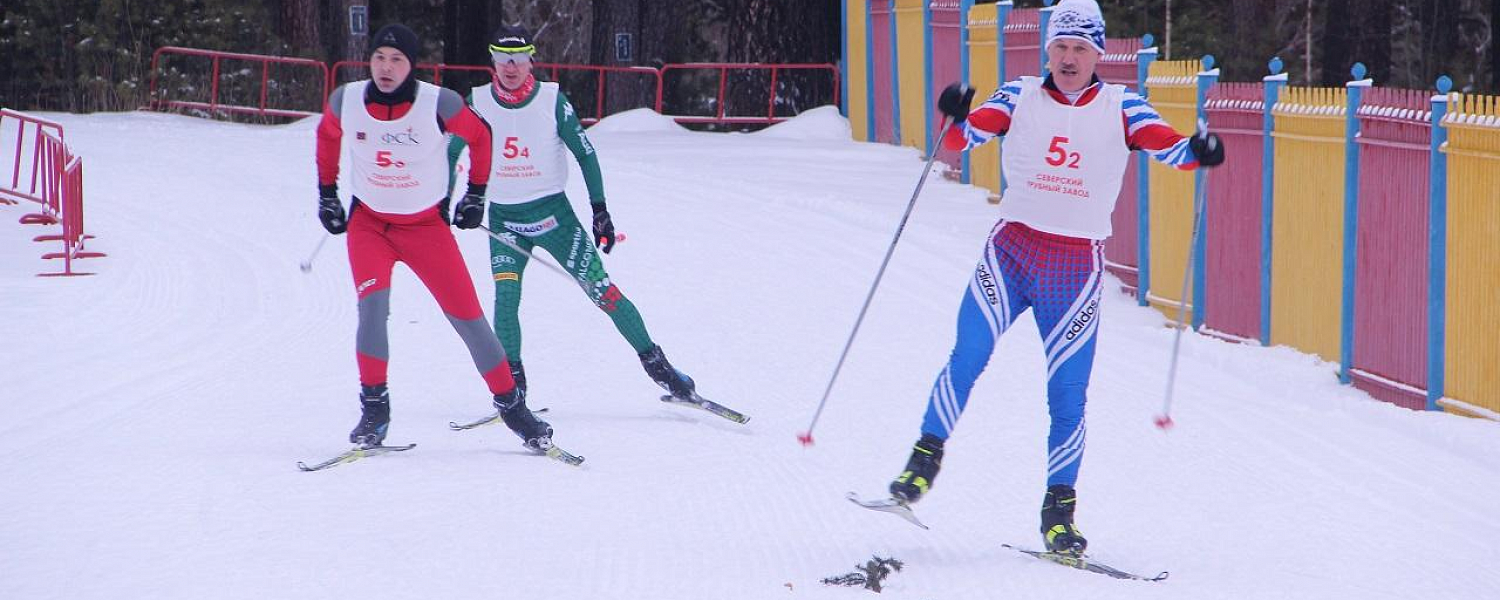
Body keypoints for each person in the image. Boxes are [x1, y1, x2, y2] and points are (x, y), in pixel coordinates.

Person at [884, 0, 1224, 555]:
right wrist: (953, 114)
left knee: (1067, 395)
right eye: (1061, 47)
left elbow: (1177, 153)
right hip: (1010, 254)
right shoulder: (1019, 94)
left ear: (1097, 54)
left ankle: (1058, 516)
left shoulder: (1123, 107)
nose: (1069, 58)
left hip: (1072, 270)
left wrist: (1202, 150)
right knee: (966, 357)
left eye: (1080, 49)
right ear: (1049, 51)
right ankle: (921, 465)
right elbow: (960, 142)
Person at [314, 23, 556, 453]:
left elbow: (482, 137)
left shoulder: (437, 103)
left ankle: (514, 408)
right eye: (379, 58)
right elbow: (327, 136)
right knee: (372, 312)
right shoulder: (346, 100)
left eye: (397, 60)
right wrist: (327, 195)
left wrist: (475, 195)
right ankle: (375, 411)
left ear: (412, 66)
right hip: (371, 226)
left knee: (469, 320)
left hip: (425, 228)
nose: (386, 68)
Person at [446, 25, 700, 404]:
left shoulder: (552, 100)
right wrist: (445, 202)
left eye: (517, 59)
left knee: (603, 292)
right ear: (492, 62)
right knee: (506, 297)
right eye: (501, 59)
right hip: (505, 222)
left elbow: (585, 153)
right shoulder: (477, 101)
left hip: (555, 218)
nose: (510, 67)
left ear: (531, 60)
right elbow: (450, 152)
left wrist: (600, 211)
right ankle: (513, 387)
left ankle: (663, 372)